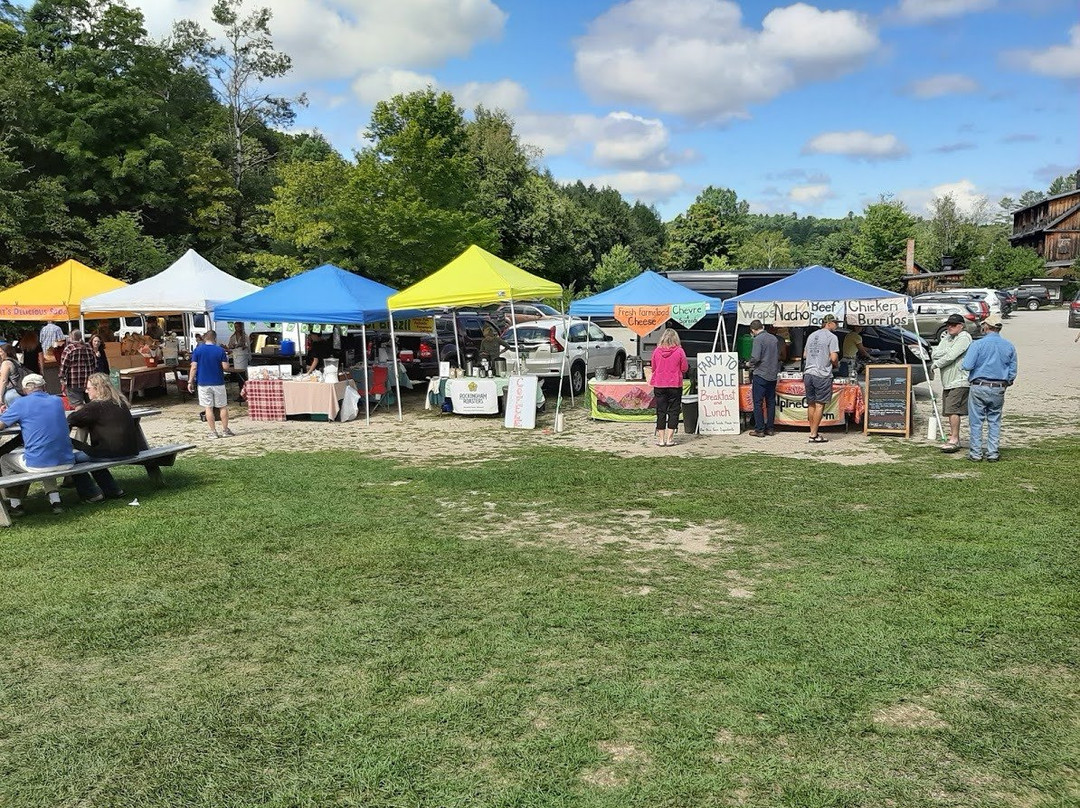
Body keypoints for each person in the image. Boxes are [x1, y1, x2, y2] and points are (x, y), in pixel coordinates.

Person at [0, 374, 74, 516]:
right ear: (44, 386)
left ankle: (15, 505)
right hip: (67, 460)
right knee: (45, 453)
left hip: (40, 463)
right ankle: (55, 501)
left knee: (5, 460)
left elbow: (2, 425)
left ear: (26, 389)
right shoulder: (57, 401)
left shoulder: (21, 404)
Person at [67, 373, 138, 502]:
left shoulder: (94, 406)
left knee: (70, 459)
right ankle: (113, 490)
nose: (86, 391)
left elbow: (72, 418)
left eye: (89, 388)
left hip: (109, 452)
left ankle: (92, 494)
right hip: (131, 450)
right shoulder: (120, 402)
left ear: (98, 388)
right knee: (93, 456)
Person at [961, 313, 1017, 462]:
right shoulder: (1009, 346)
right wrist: (1007, 383)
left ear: (986, 327)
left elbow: (967, 365)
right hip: (998, 386)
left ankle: (976, 453)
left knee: (976, 421)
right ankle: (992, 452)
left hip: (979, 385)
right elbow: (1012, 371)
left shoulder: (977, 344)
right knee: (994, 420)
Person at [930, 313, 972, 453]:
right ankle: (954, 437)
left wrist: (935, 365)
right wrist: (945, 352)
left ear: (961, 326)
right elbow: (935, 353)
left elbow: (951, 356)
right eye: (948, 325)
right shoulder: (947, 338)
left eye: (953, 325)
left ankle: (954, 439)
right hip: (947, 381)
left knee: (953, 410)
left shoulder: (964, 337)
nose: (950, 327)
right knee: (948, 411)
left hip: (959, 380)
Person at [188, 329, 234, 438]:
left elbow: (194, 367)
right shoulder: (220, 350)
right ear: (215, 338)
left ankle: (213, 432)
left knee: (208, 408)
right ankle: (225, 430)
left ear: (204, 338)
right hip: (218, 382)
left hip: (203, 382)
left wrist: (190, 381)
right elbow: (225, 367)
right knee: (222, 406)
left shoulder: (198, 350)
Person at [802, 314, 839, 443]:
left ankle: (813, 432)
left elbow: (805, 354)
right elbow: (833, 358)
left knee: (811, 404)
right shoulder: (832, 337)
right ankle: (813, 434)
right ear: (828, 323)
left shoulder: (811, 336)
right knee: (819, 405)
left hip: (808, 373)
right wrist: (836, 363)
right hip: (822, 374)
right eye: (835, 322)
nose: (837, 325)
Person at [651, 328, 688, 447]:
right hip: (674, 384)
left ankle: (661, 439)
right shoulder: (680, 351)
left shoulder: (656, 351)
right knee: (674, 411)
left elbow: (653, 367)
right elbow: (684, 368)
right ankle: (670, 438)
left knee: (660, 411)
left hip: (659, 384)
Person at [747, 319, 779, 437]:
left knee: (758, 402)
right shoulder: (774, 338)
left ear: (753, 330)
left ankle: (759, 429)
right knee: (770, 402)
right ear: (763, 326)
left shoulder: (758, 339)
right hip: (772, 374)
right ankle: (770, 428)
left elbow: (756, 357)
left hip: (760, 374)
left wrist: (748, 364)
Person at [59, 329, 95, 406]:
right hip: (89, 381)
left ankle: (82, 417)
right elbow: (95, 363)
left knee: (78, 405)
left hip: (74, 382)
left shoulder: (69, 349)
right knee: (92, 404)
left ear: (71, 337)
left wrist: (62, 379)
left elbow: (63, 366)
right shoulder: (89, 347)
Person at [0, 341, 26, 407]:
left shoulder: (6, 363)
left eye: (1, 352)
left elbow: (3, 381)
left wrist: (0, 396)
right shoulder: (15, 361)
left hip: (11, 393)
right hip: (19, 392)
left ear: (6, 352)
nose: (0, 354)